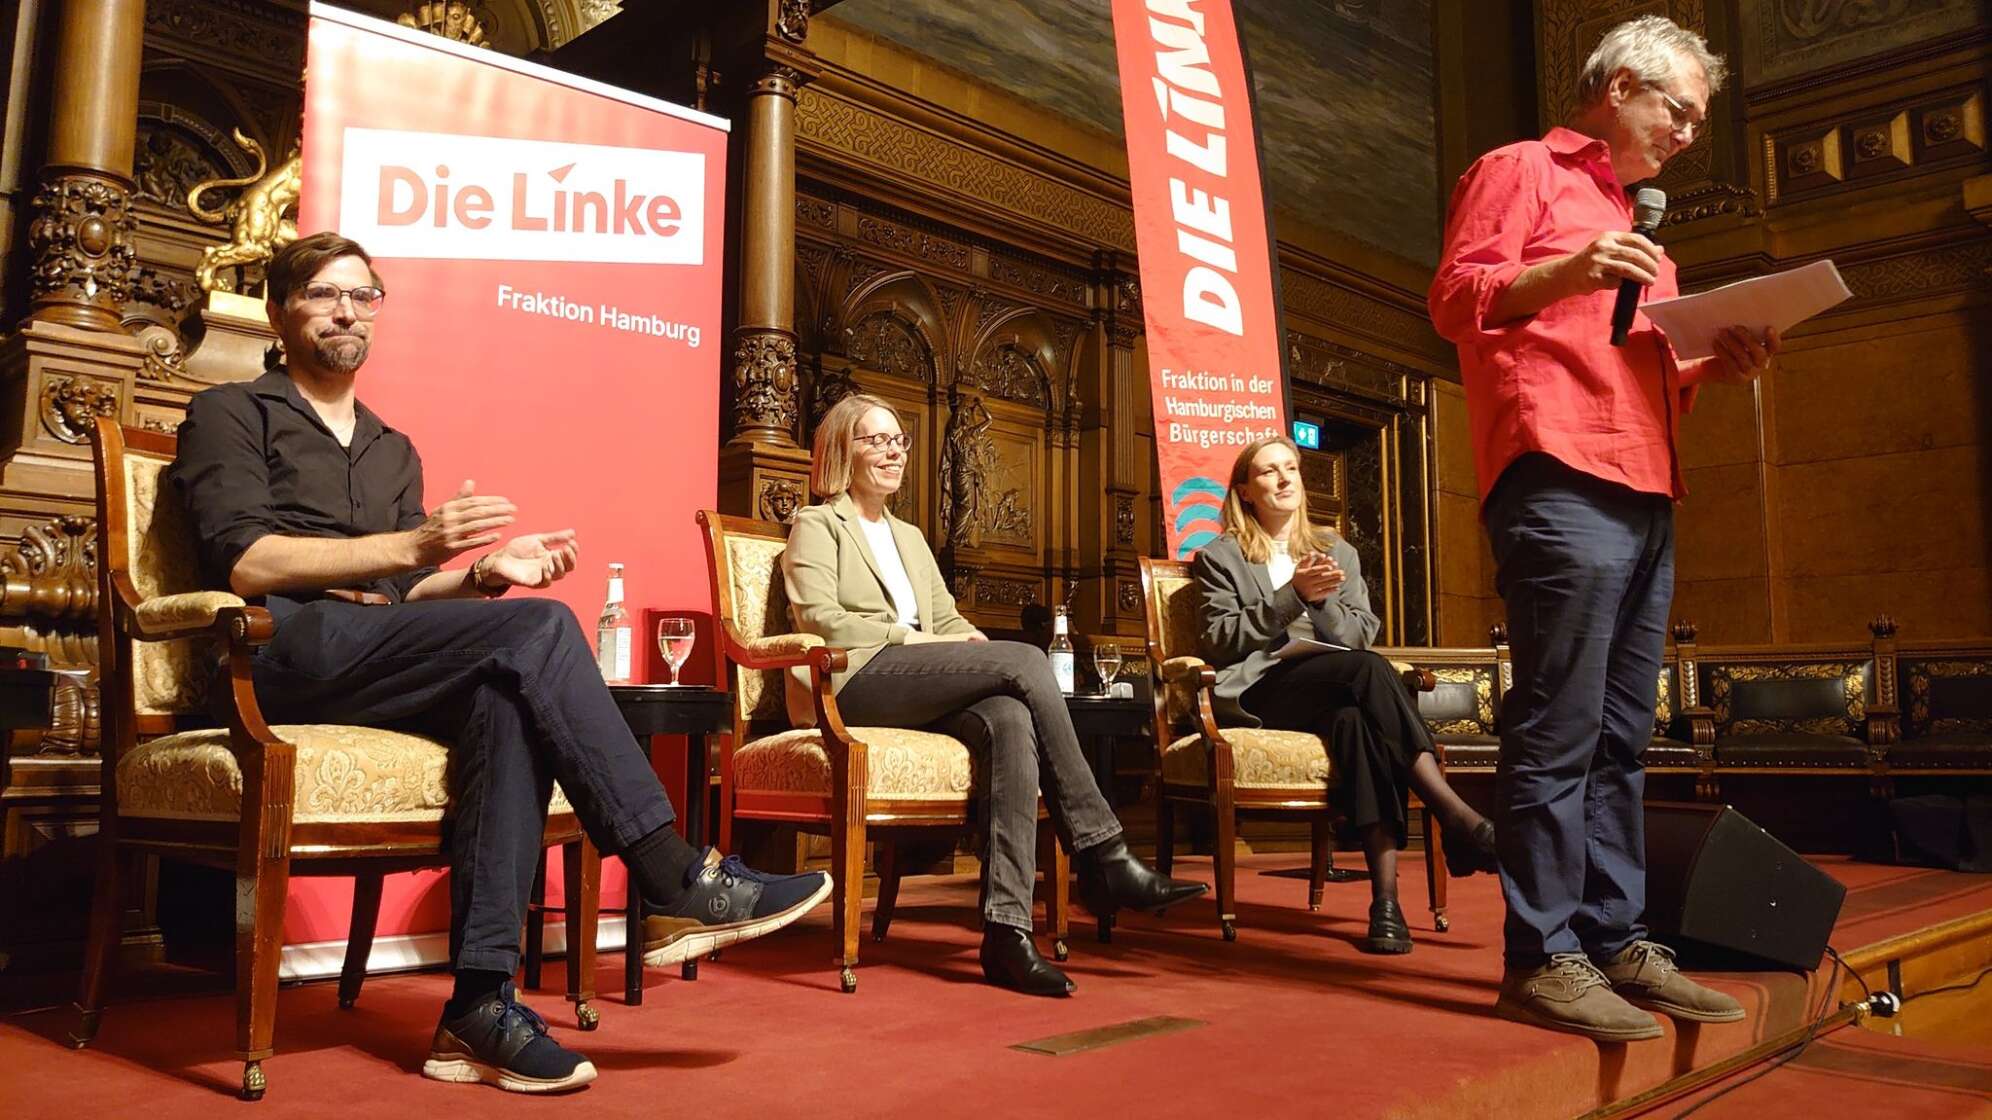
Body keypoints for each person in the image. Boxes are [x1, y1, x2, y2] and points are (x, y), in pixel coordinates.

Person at [171, 232, 831, 1093]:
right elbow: (244, 561)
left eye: (363, 296)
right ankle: (670, 873)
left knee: (504, 698)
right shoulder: (230, 412)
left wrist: (484, 574)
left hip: (371, 654)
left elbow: (404, 597)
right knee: (546, 630)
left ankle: (478, 1007)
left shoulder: (390, 446)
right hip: (279, 652)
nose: (347, 311)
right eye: (324, 295)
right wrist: (415, 539)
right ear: (280, 311)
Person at [1428, 16, 1776, 1041]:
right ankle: (1542, 954)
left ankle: (1617, 937)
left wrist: (1722, 362)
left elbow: (1649, 370)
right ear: (1620, 85)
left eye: (1697, 121)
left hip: (1646, 484)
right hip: (1558, 473)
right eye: (1677, 109)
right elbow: (1456, 299)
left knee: (1627, 734)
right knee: (1560, 723)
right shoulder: (1522, 169)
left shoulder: (1643, 225)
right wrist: (1570, 270)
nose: (1685, 133)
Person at [781, 393, 1206, 998]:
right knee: (1026, 661)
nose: (892, 451)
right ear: (840, 451)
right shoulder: (817, 524)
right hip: (852, 683)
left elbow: (946, 622)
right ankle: (1102, 854)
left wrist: (968, 640)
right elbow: (819, 619)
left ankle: (1006, 933)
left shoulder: (909, 536)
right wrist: (915, 637)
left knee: (1008, 715)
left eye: (898, 440)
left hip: (912, 678)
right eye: (875, 440)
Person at [1191, 437, 1498, 954]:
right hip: (1268, 688)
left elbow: (1356, 637)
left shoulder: (1337, 550)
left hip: (1339, 680)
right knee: (1369, 673)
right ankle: (1452, 813)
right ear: (1245, 490)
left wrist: (1323, 598)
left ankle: (1385, 904)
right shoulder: (1221, 556)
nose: (1286, 479)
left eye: (1291, 468)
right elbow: (1220, 640)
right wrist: (1292, 597)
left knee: (1357, 721)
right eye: (1269, 471)